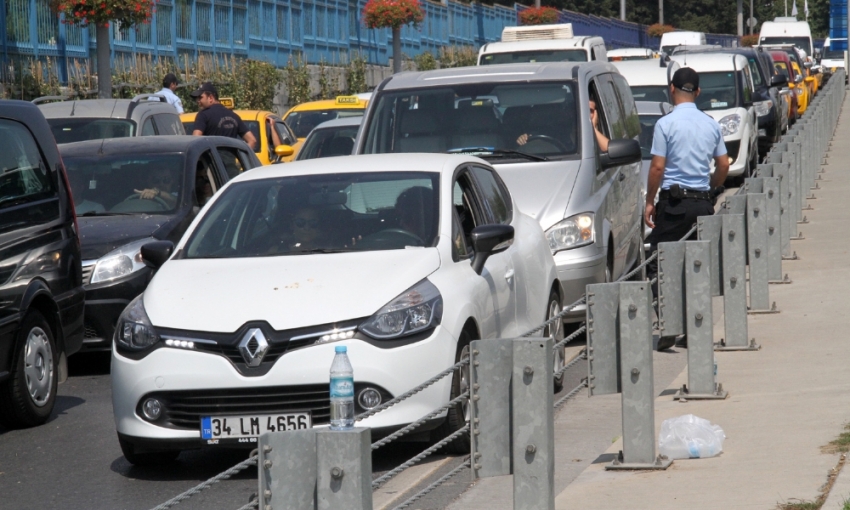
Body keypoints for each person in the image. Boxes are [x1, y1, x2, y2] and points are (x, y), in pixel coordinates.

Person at [645, 67, 730, 351]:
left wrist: (649, 201)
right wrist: (713, 187)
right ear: (698, 92)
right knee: (698, 266)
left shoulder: (665, 124)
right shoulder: (710, 123)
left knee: (660, 262)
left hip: (674, 204)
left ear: (672, 89)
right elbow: (724, 164)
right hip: (702, 204)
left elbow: (657, 166)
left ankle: (671, 324)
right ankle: (695, 327)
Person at [190, 82, 257, 150]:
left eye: (200, 97)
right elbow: (252, 141)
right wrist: (241, 157)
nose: (197, 101)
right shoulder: (234, 116)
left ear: (210, 98)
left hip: (211, 160)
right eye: (196, 98)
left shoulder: (203, 115)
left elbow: (195, 141)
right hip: (230, 160)